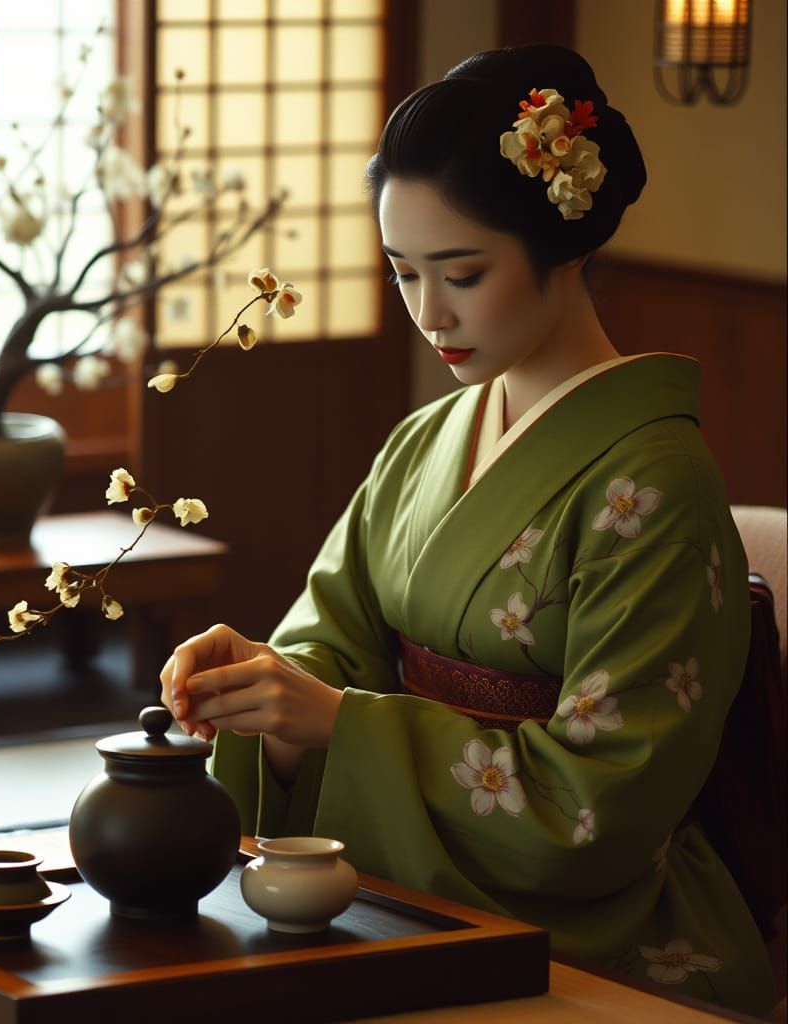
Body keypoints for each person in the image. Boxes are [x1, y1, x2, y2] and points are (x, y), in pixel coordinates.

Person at [159, 44, 777, 1017]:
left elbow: (600, 806)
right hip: (400, 879)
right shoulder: (426, 439)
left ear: (562, 243)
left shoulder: (656, 485)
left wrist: (338, 725)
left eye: (461, 272)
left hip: (592, 928)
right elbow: (335, 630)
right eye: (403, 273)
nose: (427, 311)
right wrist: (265, 693)